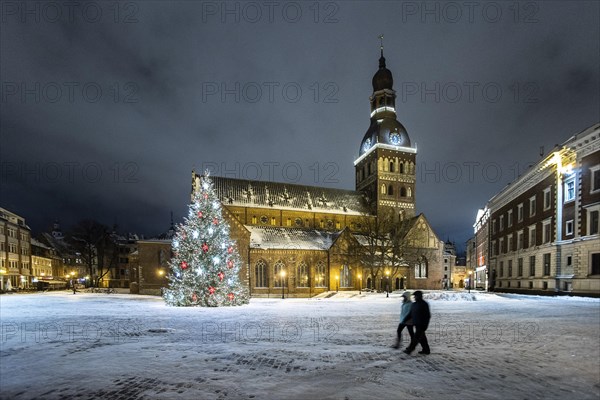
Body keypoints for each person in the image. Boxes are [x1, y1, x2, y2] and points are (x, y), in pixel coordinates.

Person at [401, 290, 431, 355]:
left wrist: (425, 325)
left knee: (416, 338)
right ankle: (426, 350)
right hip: (416, 324)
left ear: (419, 296)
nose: (414, 297)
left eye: (415, 296)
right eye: (414, 296)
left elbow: (427, 316)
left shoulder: (424, 304)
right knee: (422, 338)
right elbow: (410, 314)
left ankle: (410, 349)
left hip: (421, 325)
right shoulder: (414, 304)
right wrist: (405, 320)